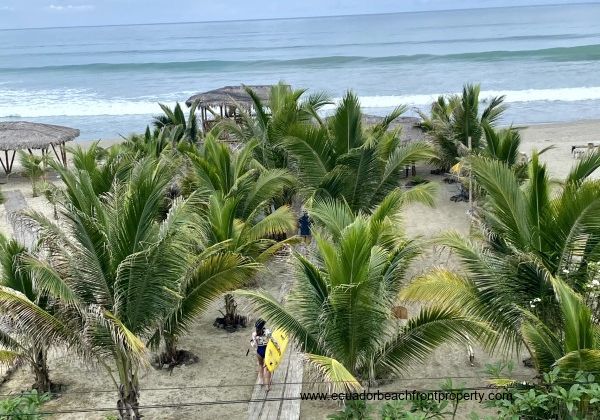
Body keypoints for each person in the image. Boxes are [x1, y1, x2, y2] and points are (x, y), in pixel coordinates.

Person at [250, 318, 279, 391]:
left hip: (259, 351)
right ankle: (267, 386)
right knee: (268, 368)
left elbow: (254, 346)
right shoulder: (267, 332)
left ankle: (261, 380)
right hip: (267, 352)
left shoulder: (254, 334)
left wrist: (253, 341)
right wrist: (278, 348)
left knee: (260, 364)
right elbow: (273, 341)